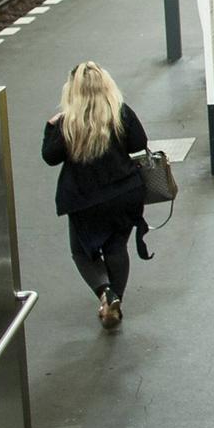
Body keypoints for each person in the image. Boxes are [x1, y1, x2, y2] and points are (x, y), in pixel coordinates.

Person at [42, 62, 149, 330]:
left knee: (82, 252)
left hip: (85, 199)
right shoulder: (119, 112)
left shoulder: (67, 122)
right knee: (116, 248)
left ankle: (105, 293)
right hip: (124, 193)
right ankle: (115, 301)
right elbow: (139, 143)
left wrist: (50, 127)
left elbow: (50, 157)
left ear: (73, 90)